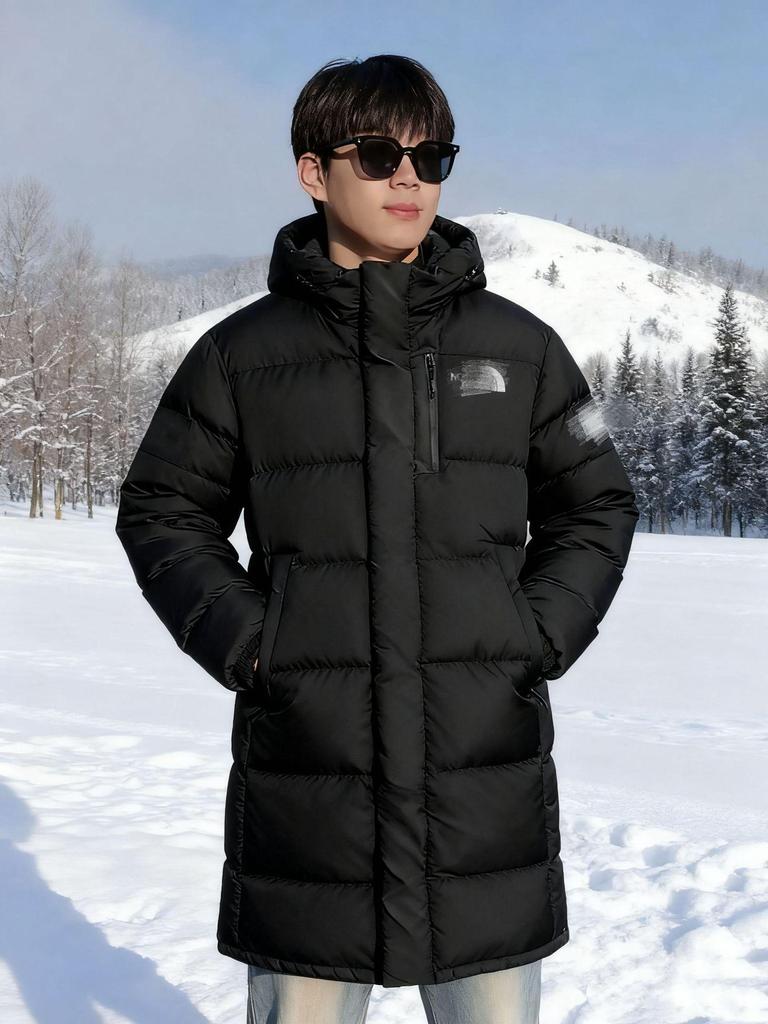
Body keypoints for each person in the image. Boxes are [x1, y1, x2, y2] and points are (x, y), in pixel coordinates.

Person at [116, 54, 639, 1024]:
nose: (410, 178)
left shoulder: (520, 348)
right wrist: (254, 643)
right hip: (313, 789)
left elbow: (596, 501)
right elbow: (162, 509)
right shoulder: (241, 357)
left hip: (479, 792)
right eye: (378, 154)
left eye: (431, 156)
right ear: (313, 172)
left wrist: (533, 633)